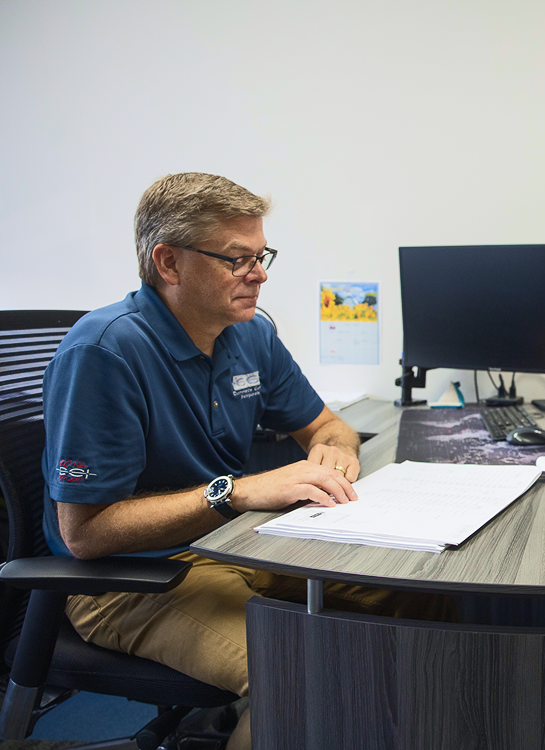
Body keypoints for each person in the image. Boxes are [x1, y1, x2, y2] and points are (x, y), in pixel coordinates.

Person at [41, 173, 450, 750]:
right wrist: (235, 491)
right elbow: (84, 534)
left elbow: (328, 424)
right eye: (237, 259)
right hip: (131, 580)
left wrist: (334, 448)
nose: (259, 275)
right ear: (169, 262)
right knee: (299, 673)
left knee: (420, 593)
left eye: (262, 256)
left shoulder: (250, 334)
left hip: (234, 546)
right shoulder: (105, 351)